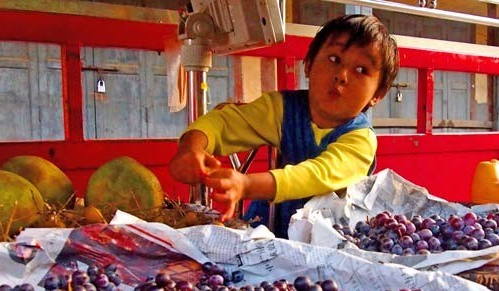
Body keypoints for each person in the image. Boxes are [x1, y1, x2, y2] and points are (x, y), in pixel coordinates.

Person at [169, 14, 399, 238]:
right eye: (334, 59)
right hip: (270, 235)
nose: (341, 76)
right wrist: (192, 147)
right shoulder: (282, 108)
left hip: (330, 250)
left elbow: (315, 175)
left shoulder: (360, 140)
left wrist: (247, 184)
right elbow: (225, 123)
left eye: (361, 70)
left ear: (377, 95)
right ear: (308, 65)